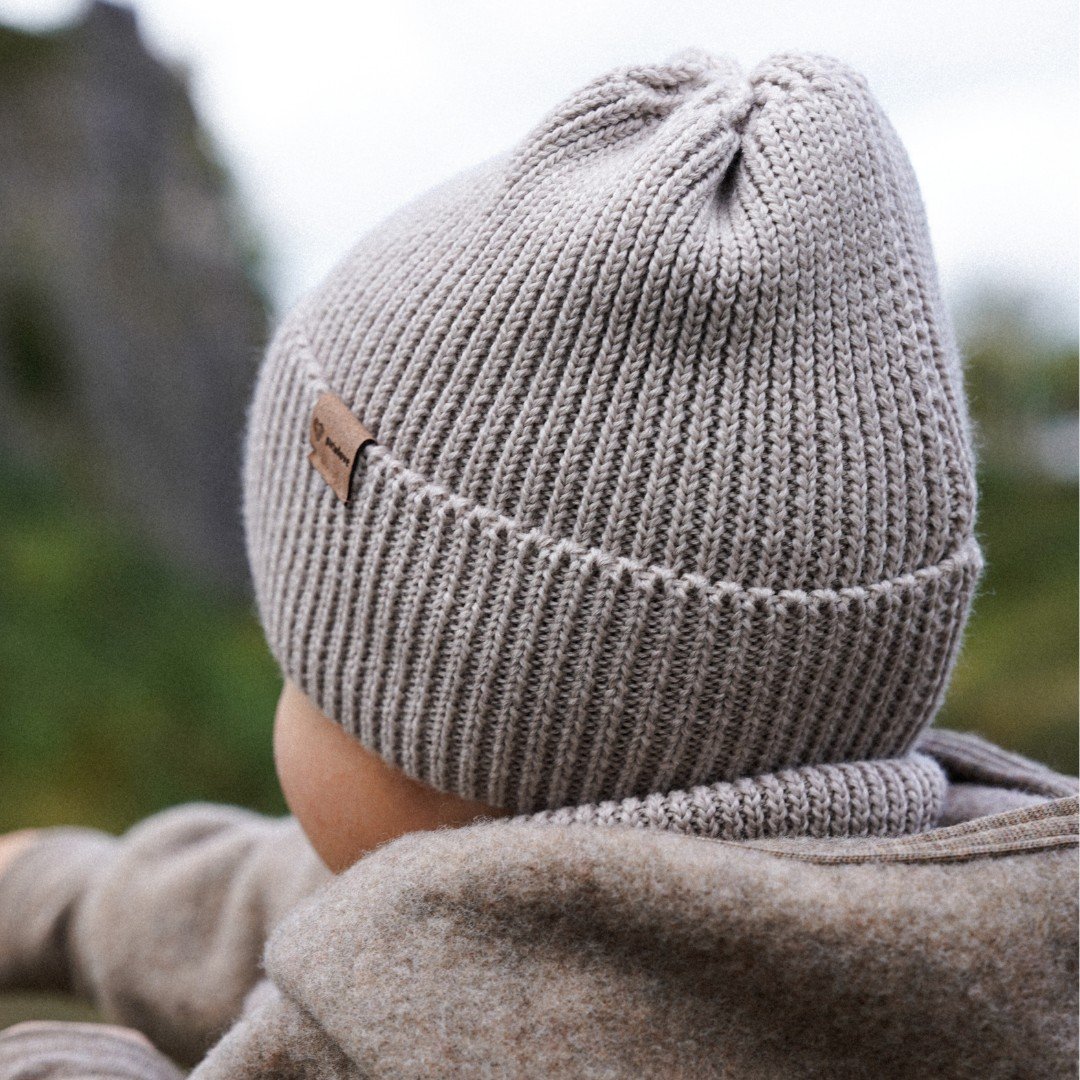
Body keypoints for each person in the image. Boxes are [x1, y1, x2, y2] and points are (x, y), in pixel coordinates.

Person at [0, 51, 1075, 1079]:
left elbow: (385, 924)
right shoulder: (982, 918)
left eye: (314, 671)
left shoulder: (415, 1028)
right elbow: (353, 887)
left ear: (448, 740)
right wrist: (70, 895)